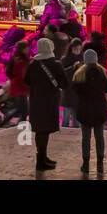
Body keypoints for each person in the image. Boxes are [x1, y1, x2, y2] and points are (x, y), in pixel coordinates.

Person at [28, 37, 69, 170]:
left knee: (40, 130)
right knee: (44, 131)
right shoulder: (56, 64)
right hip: (50, 101)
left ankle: (42, 157)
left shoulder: (33, 64)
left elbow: (27, 80)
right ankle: (41, 161)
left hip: (36, 101)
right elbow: (64, 83)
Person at [72, 48, 107, 174]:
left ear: (85, 59)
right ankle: (100, 165)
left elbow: (75, 90)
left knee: (86, 138)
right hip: (100, 109)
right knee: (100, 137)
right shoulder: (103, 72)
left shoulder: (79, 73)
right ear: (96, 59)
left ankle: (86, 164)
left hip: (85, 110)